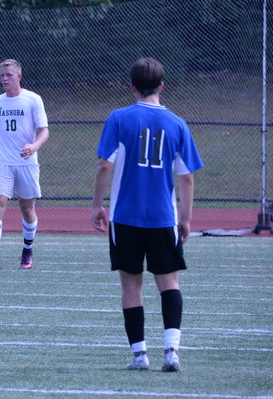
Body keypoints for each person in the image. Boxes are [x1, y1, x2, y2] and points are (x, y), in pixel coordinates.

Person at [91, 57, 203, 372]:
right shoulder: (178, 124)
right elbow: (187, 177)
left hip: (125, 217)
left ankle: (140, 356)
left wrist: (97, 205)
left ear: (132, 87)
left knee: (131, 286)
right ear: (162, 85)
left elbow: (104, 165)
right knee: (169, 282)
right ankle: (172, 352)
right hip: (162, 218)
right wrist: (185, 218)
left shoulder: (118, 118)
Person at [0, 59, 49, 270]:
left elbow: (44, 131)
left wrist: (34, 146)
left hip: (26, 163)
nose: (4, 79)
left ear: (19, 76)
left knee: (27, 209)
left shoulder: (33, 99)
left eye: (9, 75)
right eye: (2, 75)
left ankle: (27, 249)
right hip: (3, 162)